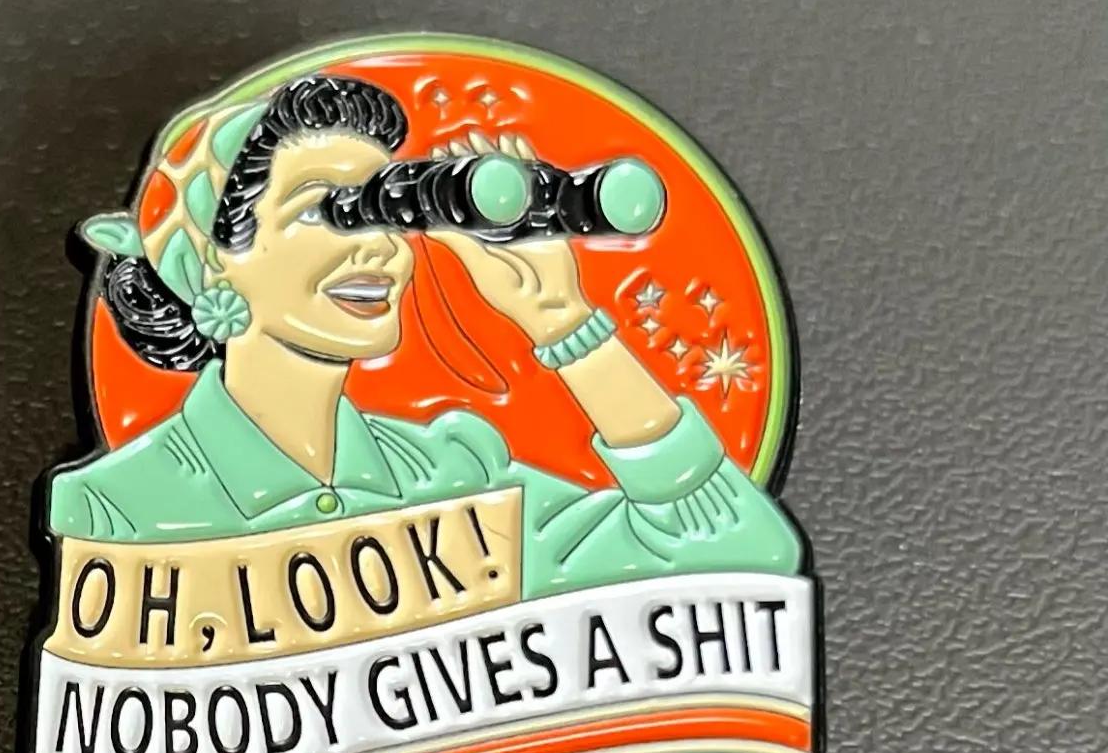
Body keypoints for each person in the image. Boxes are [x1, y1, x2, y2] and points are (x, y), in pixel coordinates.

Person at [52, 74, 801, 592]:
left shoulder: (452, 474)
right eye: (326, 211)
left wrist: (563, 321)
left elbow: (737, 555)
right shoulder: (111, 508)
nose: (379, 247)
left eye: (387, 211)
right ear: (216, 263)